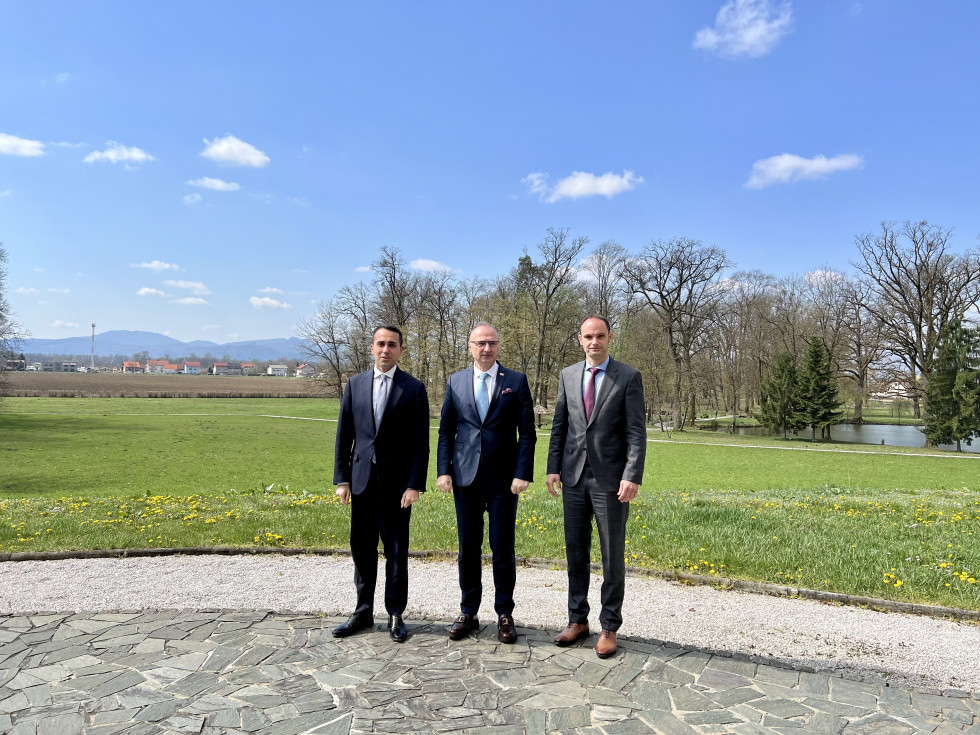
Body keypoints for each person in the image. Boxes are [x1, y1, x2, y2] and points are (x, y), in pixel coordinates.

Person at [546, 315, 646, 659]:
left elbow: (636, 432)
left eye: (600, 336)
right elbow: (560, 426)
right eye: (588, 336)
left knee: (611, 554)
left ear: (610, 337)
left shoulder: (628, 377)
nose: (594, 341)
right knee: (575, 552)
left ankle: (609, 626)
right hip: (573, 477)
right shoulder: (568, 375)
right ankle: (577, 620)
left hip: (611, 481)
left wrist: (632, 475)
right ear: (579, 339)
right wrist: (551, 468)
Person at [437, 323, 536, 643]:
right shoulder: (456, 381)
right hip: (465, 478)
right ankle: (468, 611)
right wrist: (443, 470)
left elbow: (528, 434)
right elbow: (445, 432)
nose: (486, 349)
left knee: (502, 547)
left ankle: (504, 613)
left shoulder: (516, 382)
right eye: (480, 343)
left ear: (498, 346)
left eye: (491, 343)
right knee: (468, 548)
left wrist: (523, 473)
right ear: (469, 347)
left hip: (504, 481)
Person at [333, 325, 429, 643]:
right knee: (362, 549)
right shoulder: (355, 384)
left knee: (396, 550)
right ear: (372, 348)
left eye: (392, 345)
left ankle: (395, 614)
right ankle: (362, 612)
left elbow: (420, 443)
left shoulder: (413, 388)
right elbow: (344, 435)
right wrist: (342, 479)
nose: (385, 349)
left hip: (397, 487)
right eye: (380, 344)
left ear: (401, 350)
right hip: (360, 483)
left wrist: (414, 484)